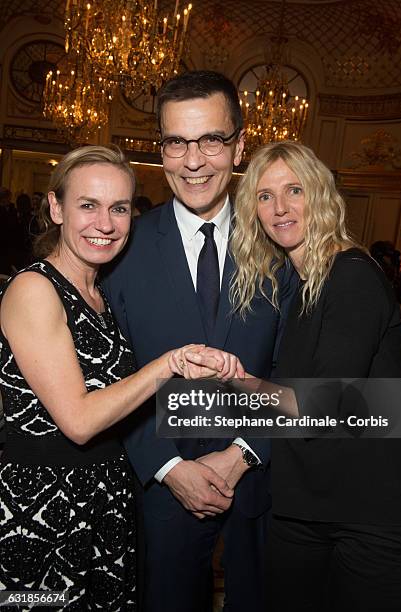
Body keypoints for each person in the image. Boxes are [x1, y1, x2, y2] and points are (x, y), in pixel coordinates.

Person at [0, 145, 241, 609]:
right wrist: (168, 365)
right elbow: (80, 420)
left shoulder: (99, 293)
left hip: (106, 501)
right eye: (87, 205)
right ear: (56, 207)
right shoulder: (34, 288)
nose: (105, 224)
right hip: (43, 510)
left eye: (119, 208)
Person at [103, 71, 296, 612]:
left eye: (211, 140)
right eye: (176, 142)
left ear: (238, 145)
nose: (193, 161)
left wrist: (243, 454)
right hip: (161, 495)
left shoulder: (281, 245)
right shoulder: (122, 248)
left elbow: (295, 371)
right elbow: (110, 377)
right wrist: (169, 468)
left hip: (262, 489)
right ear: (160, 148)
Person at [230, 141, 401, 612]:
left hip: (367, 516)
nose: (280, 207)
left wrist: (236, 383)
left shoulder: (351, 277)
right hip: (304, 505)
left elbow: (322, 406)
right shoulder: (303, 282)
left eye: (294, 190)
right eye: (265, 196)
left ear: (321, 195)